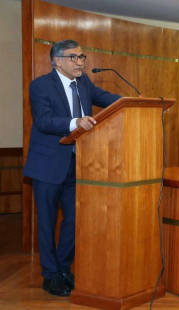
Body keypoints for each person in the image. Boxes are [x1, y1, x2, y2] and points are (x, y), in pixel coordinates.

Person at [23, 40, 121, 296]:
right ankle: (50, 275)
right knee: (46, 222)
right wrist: (75, 121)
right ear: (57, 60)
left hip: (78, 164)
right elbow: (43, 121)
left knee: (75, 220)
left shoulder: (84, 83)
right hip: (47, 165)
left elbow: (106, 99)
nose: (80, 62)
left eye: (82, 57)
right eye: (74, 57)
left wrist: (133, 101)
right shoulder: (41, 85)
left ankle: (64, 268)